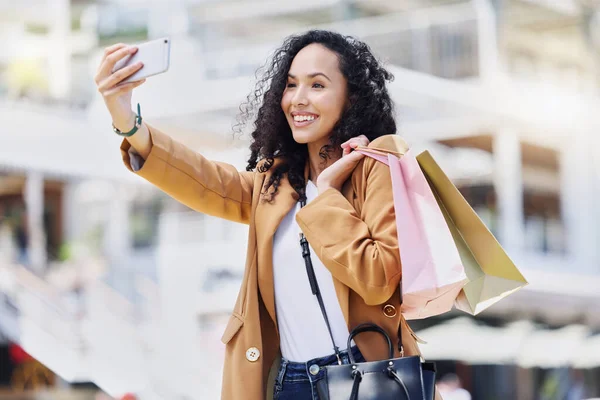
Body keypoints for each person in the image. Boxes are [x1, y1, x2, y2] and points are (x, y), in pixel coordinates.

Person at [95, 30, 437, 400]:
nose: (298, 99)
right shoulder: (274, 182)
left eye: (317, 85)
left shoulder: (376, 165)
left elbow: (378, 276)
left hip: (366, 377)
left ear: (350, 96)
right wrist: (128, 121)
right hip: (289, 384)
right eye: (291, 85)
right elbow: (204, 180)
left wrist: (327, 193)